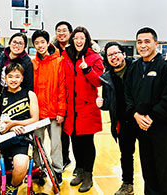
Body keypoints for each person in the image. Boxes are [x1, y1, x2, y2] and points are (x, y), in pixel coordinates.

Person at [97, 42, 167, 195]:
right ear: (106, 59)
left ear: (123, 54)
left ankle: (154, 188)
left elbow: (156, 64)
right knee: (126, 155)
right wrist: (102, 104)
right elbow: (108, 102)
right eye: (110, 55)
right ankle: (127, 184)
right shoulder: (106, 77)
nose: (114, 57)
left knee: (149, 156)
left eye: (116, 53)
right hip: (123, 120)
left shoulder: (136, 66)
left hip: (140, 119)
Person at [124, 27, 167, 195]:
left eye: (147, 41)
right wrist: (135, 114)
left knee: (163, 170)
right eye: (139, 42)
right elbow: (127, 95)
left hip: (161, 128)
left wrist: (151, 118)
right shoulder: (133, 68)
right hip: (141, 127)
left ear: (156, 43)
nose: (143, 45)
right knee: (147, 169)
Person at [62, 26, 104, 193]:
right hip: (71, 108)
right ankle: (79, 171)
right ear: (72, 40)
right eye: (76, 38)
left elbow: (99, 81)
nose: (79, 41)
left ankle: (88, 175)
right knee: (75, 143)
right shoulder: (66, 56)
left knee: (87, 143)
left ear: (87, 40)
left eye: (82, 38)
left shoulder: (94, 58)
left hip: (86, 108)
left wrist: (87, 69)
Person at [0, 63, 39, 195]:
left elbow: (35, 119)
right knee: (8, 164)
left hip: (23, 138)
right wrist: (9, 128)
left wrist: (15, 124)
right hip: (4, 137)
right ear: (5, 78)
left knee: (21, 166)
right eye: (10, 76)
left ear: (22, 78)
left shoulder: (30, 94)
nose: (14, 80)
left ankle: (12, 186)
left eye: (17, 76)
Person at [31, 30, 66, 185]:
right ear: (34, 45)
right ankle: (38, 171)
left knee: (56, 145)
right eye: (37, 43)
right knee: (36, 144)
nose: (40, 45)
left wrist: (61, 111)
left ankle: (57, 171)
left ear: (48, 43)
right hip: (37, 113)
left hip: (54, 112)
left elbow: (61, 88)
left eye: (42, 42)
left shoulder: (58, 61)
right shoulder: (33, 63)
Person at [54, 21, 74, 171]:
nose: (61, 33)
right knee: (61, 132)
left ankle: (80, 165)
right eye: (58, 31)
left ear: (70, 33)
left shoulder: (76, 49)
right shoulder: (51, 49)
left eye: (64, 30)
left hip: (74, 95)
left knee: (75, 131)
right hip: (58, 95)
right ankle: (65, 158)